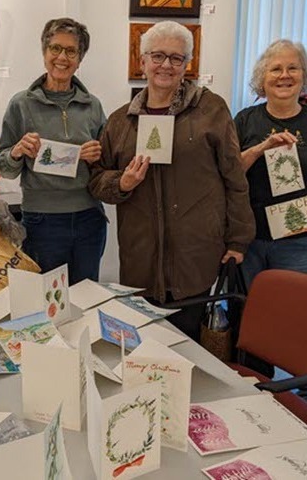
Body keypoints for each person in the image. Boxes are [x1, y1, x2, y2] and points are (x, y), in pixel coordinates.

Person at [89, 21, 255, 341]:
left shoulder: (211, 110)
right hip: (141, 261)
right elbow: (97, 180)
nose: (166, 65)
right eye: (158, 56)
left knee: (190, 349)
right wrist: (122, 183)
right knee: (146, 349)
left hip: (196, 259)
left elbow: (234, 178)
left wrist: (238, 240)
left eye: (176, 58)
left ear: (187, 65)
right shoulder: (121, 121)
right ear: (142, 61)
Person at [0, 17, 107, 285]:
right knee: (45, 300)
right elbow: (4, 167)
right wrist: (17, 152)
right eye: (55, 48)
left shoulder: (93, 106)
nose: (62, 57)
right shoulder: (21, 104)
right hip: (41, 221)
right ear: (44, 53)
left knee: (87, 294)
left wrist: (98, 156)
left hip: (89, 218)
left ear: (80, 59)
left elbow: (106, 168)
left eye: (71, 51)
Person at [234, 40, 307, 287]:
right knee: (247, 309)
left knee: (290, 312)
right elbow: (229, 174)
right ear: (261, 79)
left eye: (293, 68)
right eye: (276, 69)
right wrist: (260, 148)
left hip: (299, 242)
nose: (284, 76)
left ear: (303, 76)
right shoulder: (245, 120)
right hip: (249, 238)